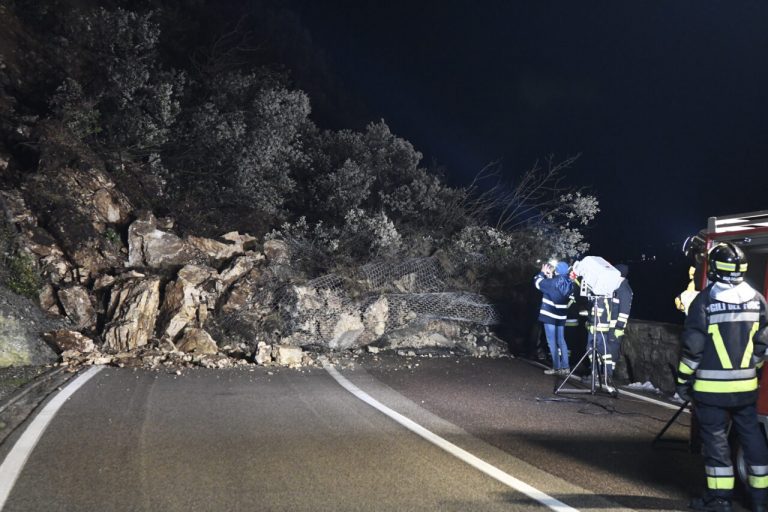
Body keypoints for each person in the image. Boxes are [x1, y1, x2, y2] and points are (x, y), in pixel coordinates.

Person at [676, 242, 768, 512]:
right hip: (746, 389)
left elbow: (693, 348)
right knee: (753, 439)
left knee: (716, 443)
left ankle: (719, 501)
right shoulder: (757, 299)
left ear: (715, 268)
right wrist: (752, 368)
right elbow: (763, 344)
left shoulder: (705, 300)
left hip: (710, 390)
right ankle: (761, 500)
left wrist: (683, 381)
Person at [534, 261, 573, 375]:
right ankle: (565, 367)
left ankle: (556, 368)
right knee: (561, 341)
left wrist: (541, 273)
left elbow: (538, 283)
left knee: (552, 342)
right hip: (561, 317)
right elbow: (556, 288)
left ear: (557, 270)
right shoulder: (570, 283)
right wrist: (550, 276)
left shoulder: (552, 283)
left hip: (550, 316)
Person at [605, 263, 633, 386]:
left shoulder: (624, 289)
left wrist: (619, 326)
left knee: (612, 351)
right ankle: (603, 374)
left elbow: (624, 311)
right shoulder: (616, 287)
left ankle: (608, 376)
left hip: (615, 327)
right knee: (606, 350)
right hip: (609, 326)